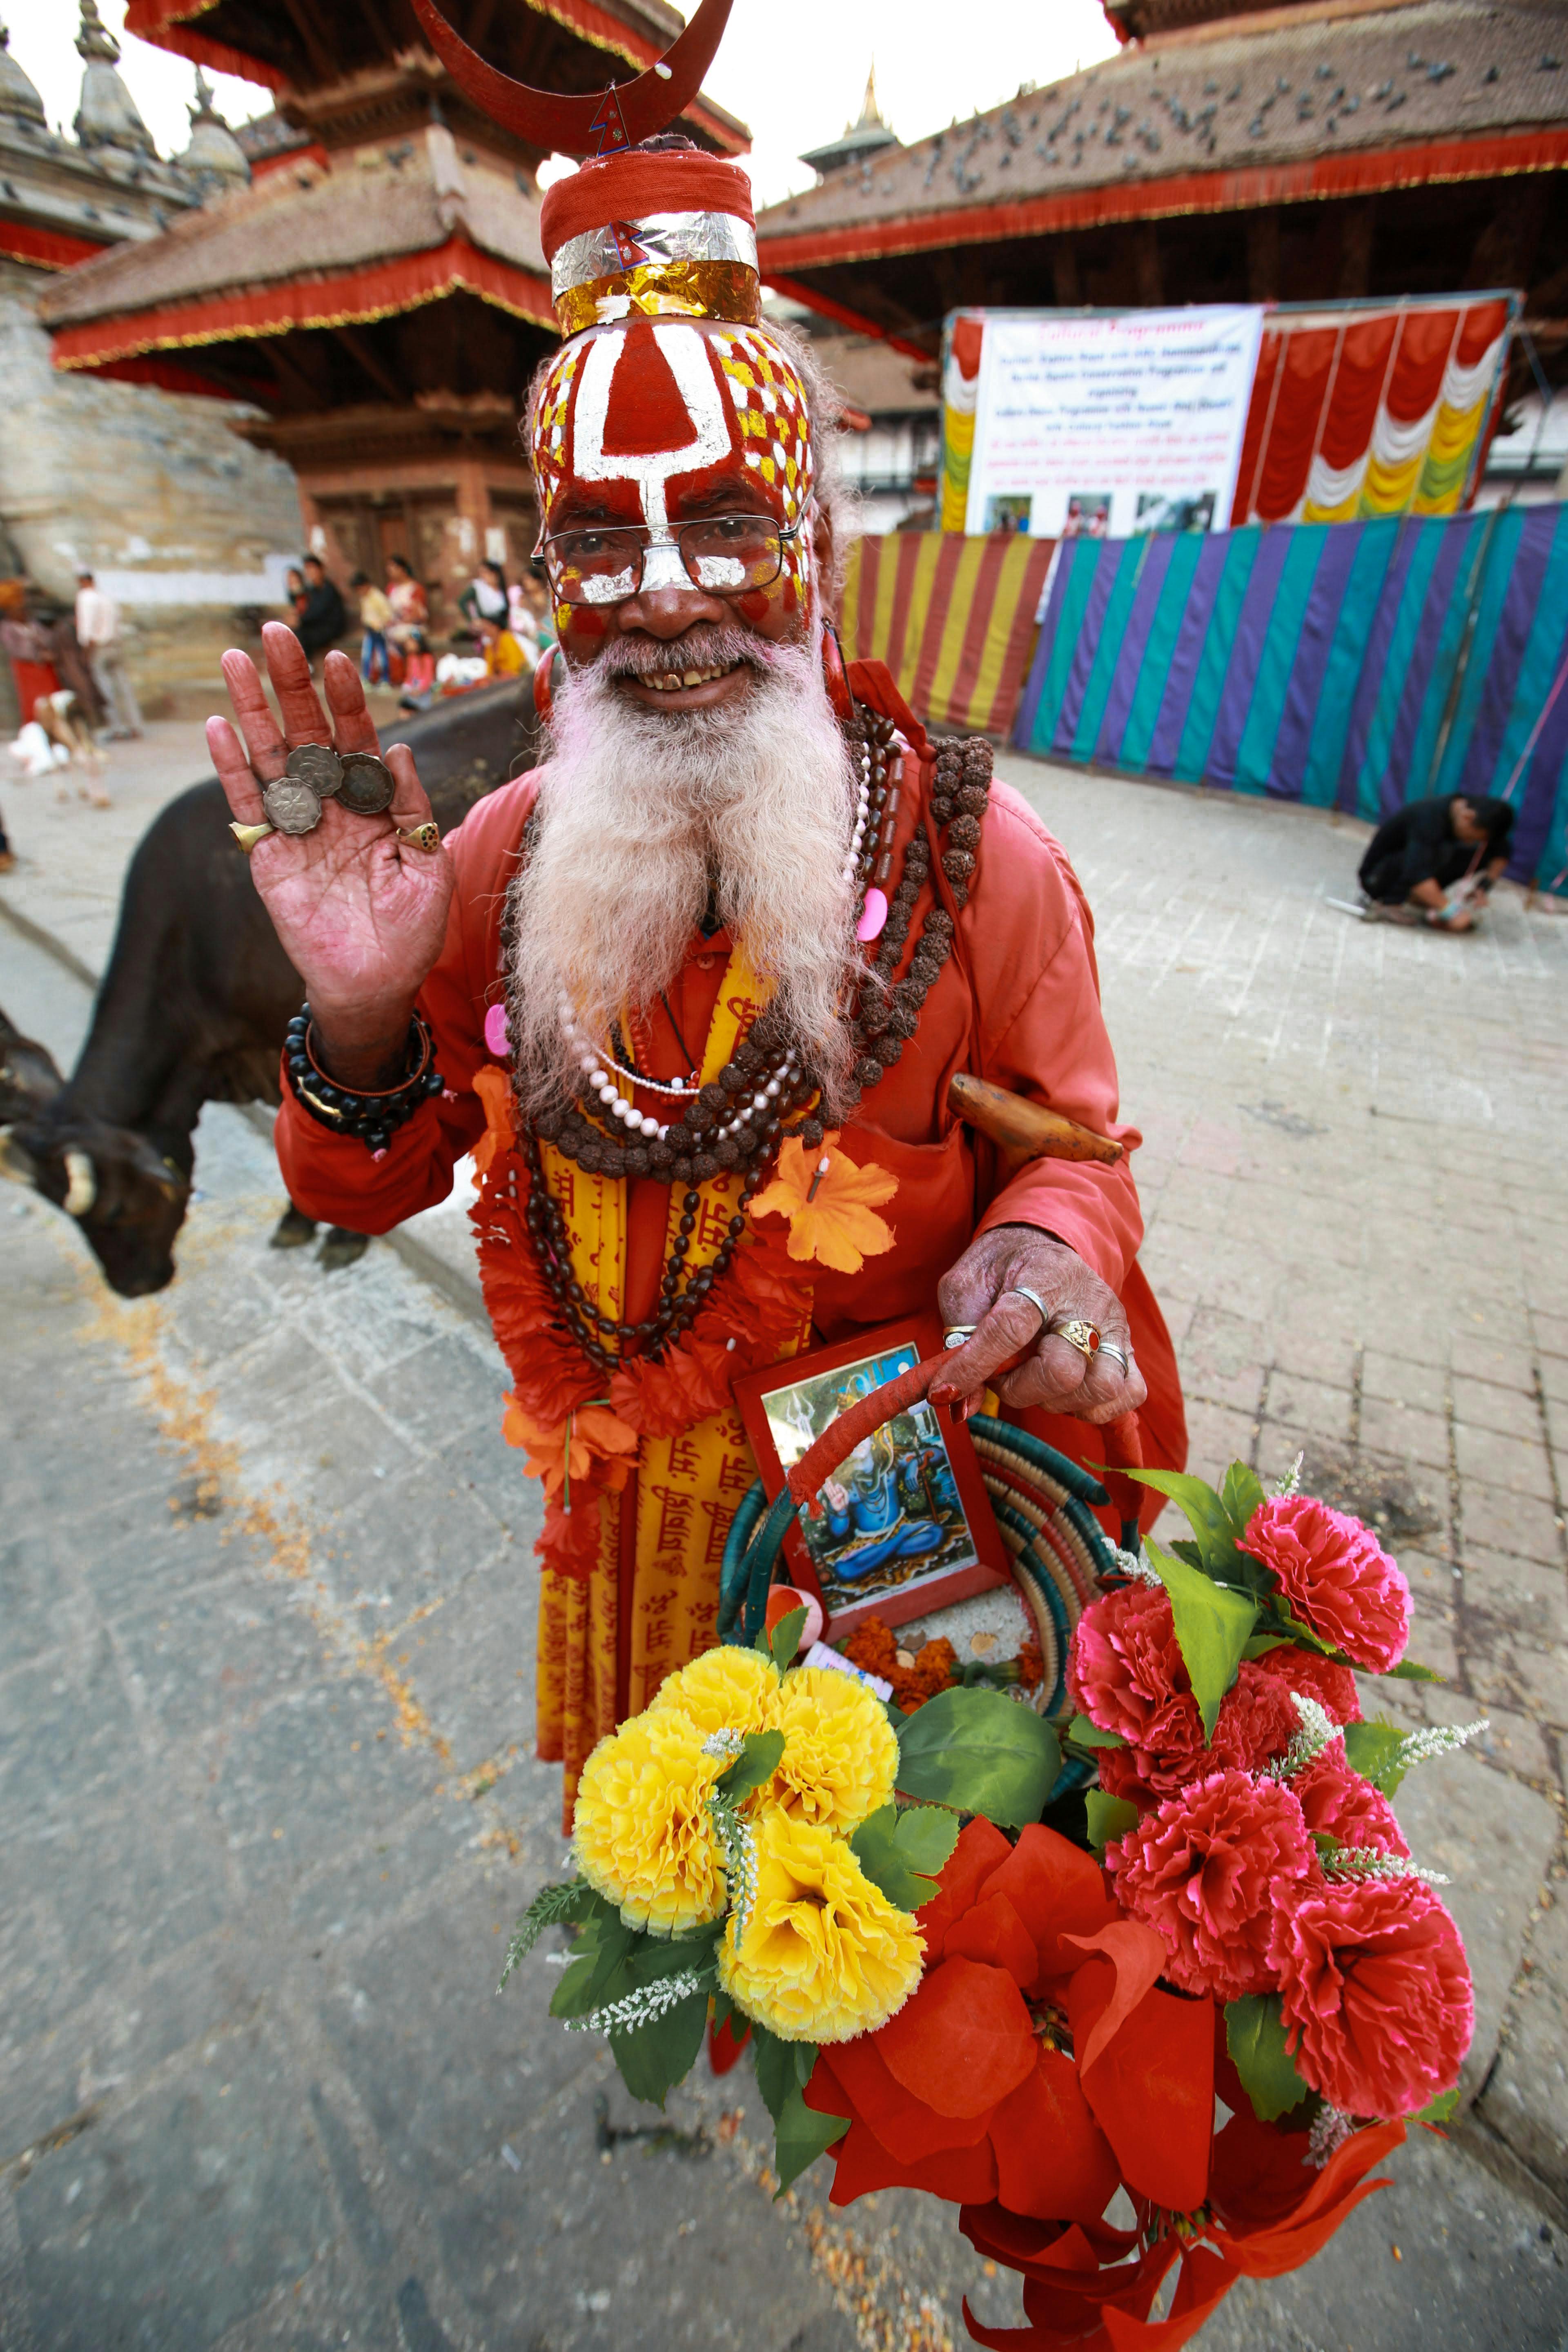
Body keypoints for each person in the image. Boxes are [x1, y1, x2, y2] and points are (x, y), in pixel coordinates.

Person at [208, 140, 1185, 1824]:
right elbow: (360, 1189)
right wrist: (367, 1005)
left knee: (867, 1932)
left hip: (886, 1566)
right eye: (601, 545)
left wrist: (1043, 1250)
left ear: (821, 543)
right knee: (667, 1880)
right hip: (621, 1549)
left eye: (725, 524)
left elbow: (1081, 1162)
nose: (665, 597)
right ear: (547, 589)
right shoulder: (500, 860)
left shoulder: (983, 864)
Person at [1358, 793, 1515, 931]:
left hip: (1414, 868)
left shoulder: (1464, 810)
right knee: (1441, 850)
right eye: (1473, 837)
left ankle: (1424, 896)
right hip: (1376, 878)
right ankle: (1391, 902)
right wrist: (1451, 912)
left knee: (1480, 852)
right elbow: (1416, 871)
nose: (1470, 842)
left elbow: (1502, 849)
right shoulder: (1429, 818)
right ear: (1468, 817)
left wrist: (1484, 886)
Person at [74, 570, 142, 740]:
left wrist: (85, 652)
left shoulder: (86, 597)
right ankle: (135, 725)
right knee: (124, 688)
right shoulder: (106, 598)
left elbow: (87, 627)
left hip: (99, 647)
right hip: (115, 646)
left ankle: (117, 728)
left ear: (82, 581)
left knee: (106, 689)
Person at [294, 555, 348, 667]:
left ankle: (307, 666)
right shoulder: (311, 590)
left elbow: (319, 611)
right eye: (307, 569)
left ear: (321, 569)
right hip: (318, 626)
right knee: (297, 632)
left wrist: (300, 620)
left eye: (312, 568)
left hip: (331, 627)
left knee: (302, 635)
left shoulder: (328, 589)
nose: (309, 572)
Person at [352, 571, 393, 684]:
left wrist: (380, 624)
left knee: (382, 655)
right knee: (367, 654)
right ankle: (367, 678)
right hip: (369, 630)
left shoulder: (378, 597)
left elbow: (388, 614)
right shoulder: (364, 598)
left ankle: (385, 679)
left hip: (379, 630)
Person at [384, 553, 428, 654]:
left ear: (402, 569)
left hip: (413, 629)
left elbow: (421, 614)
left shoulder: (416, 589)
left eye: (394, 567)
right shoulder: (391, 588)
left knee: (411, 644)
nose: (390, 571)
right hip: (393, 628)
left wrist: (407, 619)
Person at [457, 557, 509, 630]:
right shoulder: (478, 587)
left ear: (494, 573)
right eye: (481, 573)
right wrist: (472, 620)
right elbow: (462, 602)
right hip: (487, 628)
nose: (483, 576)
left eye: (485, 572)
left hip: (501, 628)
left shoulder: (501, 589)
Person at [474, 612, 528, 679]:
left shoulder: (506, 637)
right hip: (502, 680)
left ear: (495, 627)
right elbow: (489, 670)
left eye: (486, 625)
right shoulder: (489, 646)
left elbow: (515, 665)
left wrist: (501, 676)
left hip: (518, 676)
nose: (484, 628)